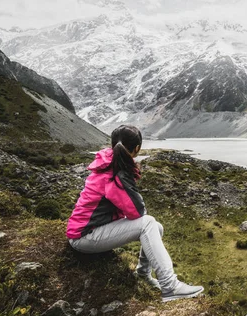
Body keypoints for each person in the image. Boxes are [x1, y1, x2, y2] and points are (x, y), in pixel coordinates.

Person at [66, 125, 204, 302]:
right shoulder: (117, 173)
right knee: (147, 223)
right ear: (137, 148)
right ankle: (170, 286)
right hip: (84, 237)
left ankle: (143, 274)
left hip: (89, 230)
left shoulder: (109, 163)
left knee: (156, 227)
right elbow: (138, 212)